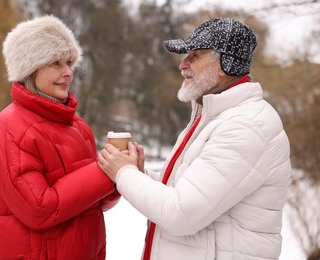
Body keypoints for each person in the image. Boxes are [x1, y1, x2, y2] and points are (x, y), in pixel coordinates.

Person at [98, 17, 291, 260]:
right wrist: (138, 173)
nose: (182, 64)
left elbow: (180, 213)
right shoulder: (214, 116)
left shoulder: (246, 126)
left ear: (226, 64)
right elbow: (188, 193)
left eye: (195, 55)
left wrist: (123, 174)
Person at [0, 15, 120, 260]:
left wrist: (121, 173)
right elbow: (40, 209)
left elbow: (97, 204)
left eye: (69, 63)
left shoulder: (76, 126)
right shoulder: (10, 128)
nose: (68, 73)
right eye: (55, 63)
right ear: (29, 69)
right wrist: (106, 171)